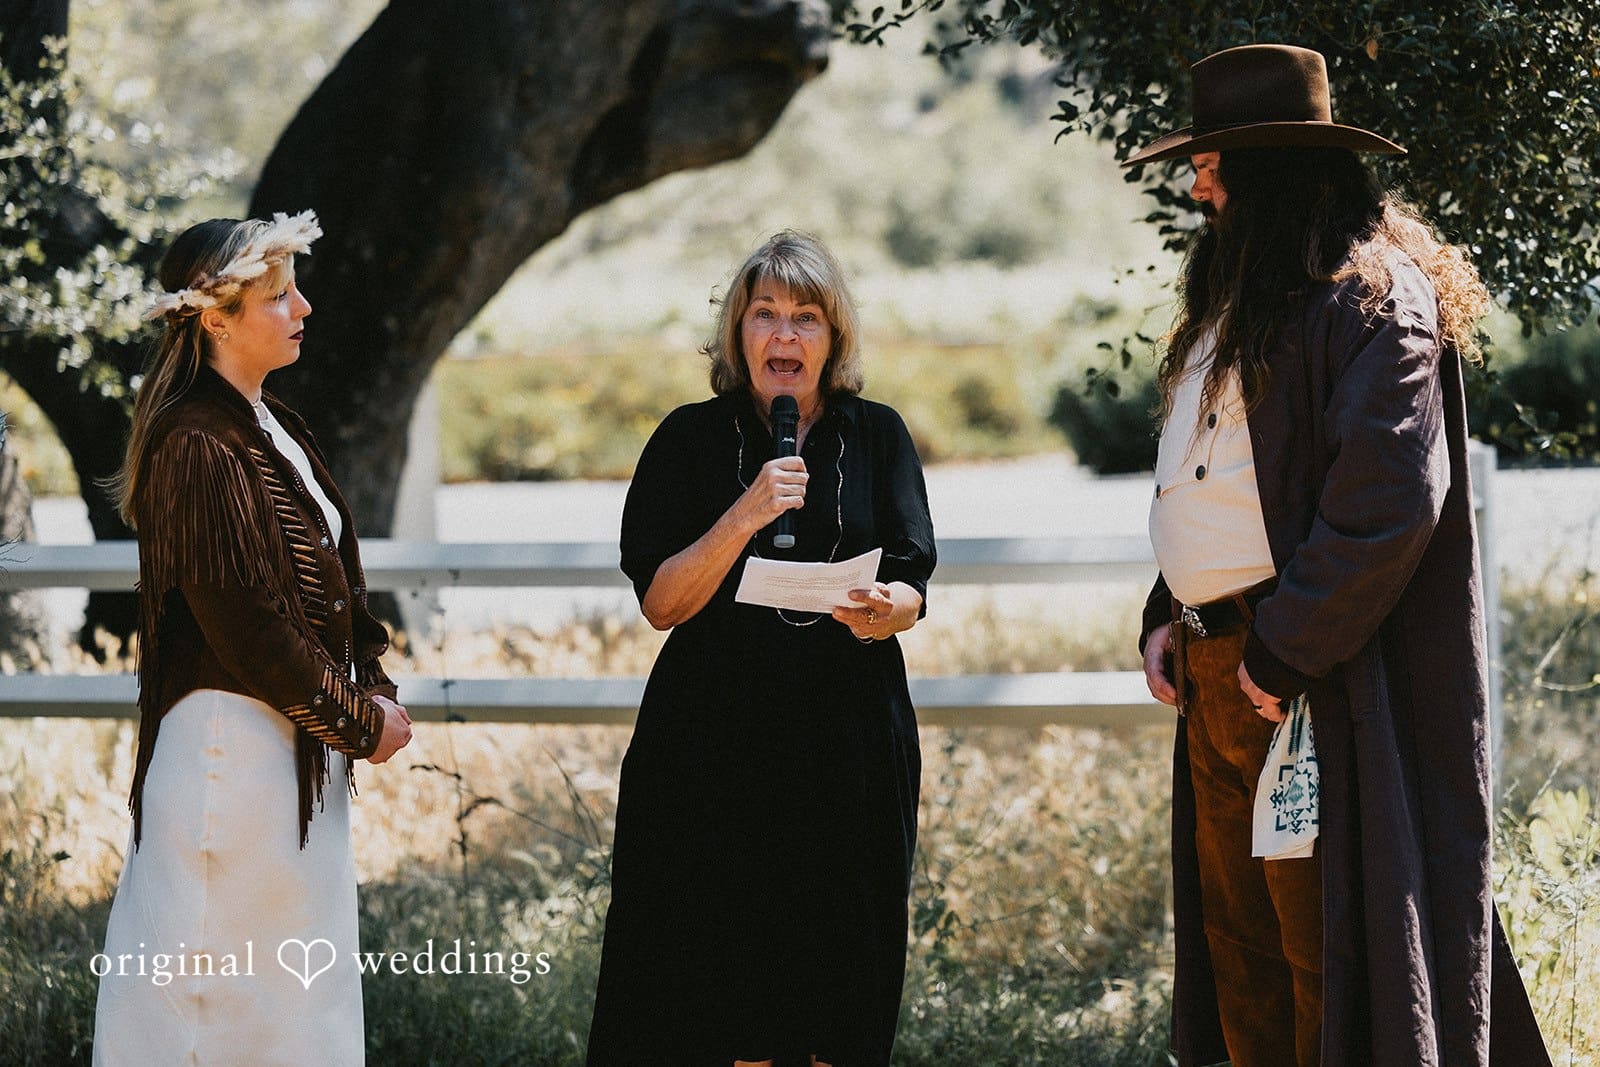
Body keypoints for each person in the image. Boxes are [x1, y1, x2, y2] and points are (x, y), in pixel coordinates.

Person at [1128, 44, 1551, 1067]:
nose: (1197, 183)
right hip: (1219, 677)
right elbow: (1213, 478)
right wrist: (1165, 608)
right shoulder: (1240, 302)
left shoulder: (1375, 302)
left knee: (1332, 964)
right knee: (1245, 962)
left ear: (1268, 167)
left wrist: (1277, 657)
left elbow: (1386, 506)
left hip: (1309, 685)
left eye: (1213, 161)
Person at [586, 231, 935, 1067]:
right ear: (738, 334)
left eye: (806, 317)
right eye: (766, 314)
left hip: (847, 745)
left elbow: (916, 574)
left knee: (837, 986)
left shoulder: (880, 435)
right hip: (713, 750)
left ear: (834, 337)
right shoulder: (686, 438)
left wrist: (891, 607)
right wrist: (744, 514)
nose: (785, 336)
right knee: (719, 989)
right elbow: (662, 602)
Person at [93, 212, 412, 1066]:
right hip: (229, 766)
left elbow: (339, 585)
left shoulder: (269, 424)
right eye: (279, 295)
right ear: (215, 319)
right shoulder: (196, 440)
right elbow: (248, 622)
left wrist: (372, 680)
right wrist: (356, 719)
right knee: (217, 1004)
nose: (303, 306)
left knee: (293, 1009)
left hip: (288, 753)